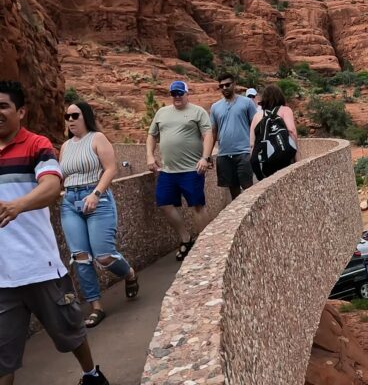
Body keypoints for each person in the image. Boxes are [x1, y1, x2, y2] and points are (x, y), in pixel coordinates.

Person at [0, 80, 110, 384]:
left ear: (20, 111)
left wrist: (17, 206)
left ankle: (92, 374)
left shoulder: (37, 145)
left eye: (3, 106)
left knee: (71, 331)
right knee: (3, 357)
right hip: (2, 276)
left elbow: (51, 186)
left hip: (39, 267)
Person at [60, 101, 140, 328]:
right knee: (81, 257)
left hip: (97, 198)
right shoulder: (65, 146)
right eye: (67, 117)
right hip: (70, 201)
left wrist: (95, 193)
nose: (70, 120)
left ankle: (129, 272)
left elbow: (111, 168)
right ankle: (96, 307)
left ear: (85, 116)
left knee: (103, 256)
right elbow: (62, 174)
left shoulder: (97, 138)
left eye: (75, 115)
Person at [147, 80, 214, 261]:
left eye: (179, 93)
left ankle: (205, 244)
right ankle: (185, 238)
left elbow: (208, 135)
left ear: (186, 94)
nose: (176, 97)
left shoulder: (198, 112)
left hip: (192, 170)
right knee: (164, 203)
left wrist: (205, 158)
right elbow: (152, 135)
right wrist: (150, 157)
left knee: (197, 206)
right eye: (173, 94)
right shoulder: (162, 113)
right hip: (168, 171)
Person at [210, 73, 258, 201]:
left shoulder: (247, 103)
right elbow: (213, 132)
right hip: (224, 154)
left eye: (227, 84)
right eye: (221, 86)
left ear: (234, 84)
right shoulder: (215, 107)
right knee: (233, 190)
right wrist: (208, 154)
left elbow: (255, 126)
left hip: (244, 152)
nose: (224, 88)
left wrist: (255, 148)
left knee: (248, 188)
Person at [248, 84, 298, 178]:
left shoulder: (257, 116)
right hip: (282, 159)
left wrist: (253, 162)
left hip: (264, 162)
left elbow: (251, 144)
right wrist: (295, 155)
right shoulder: (285, 110)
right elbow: (292, 131)